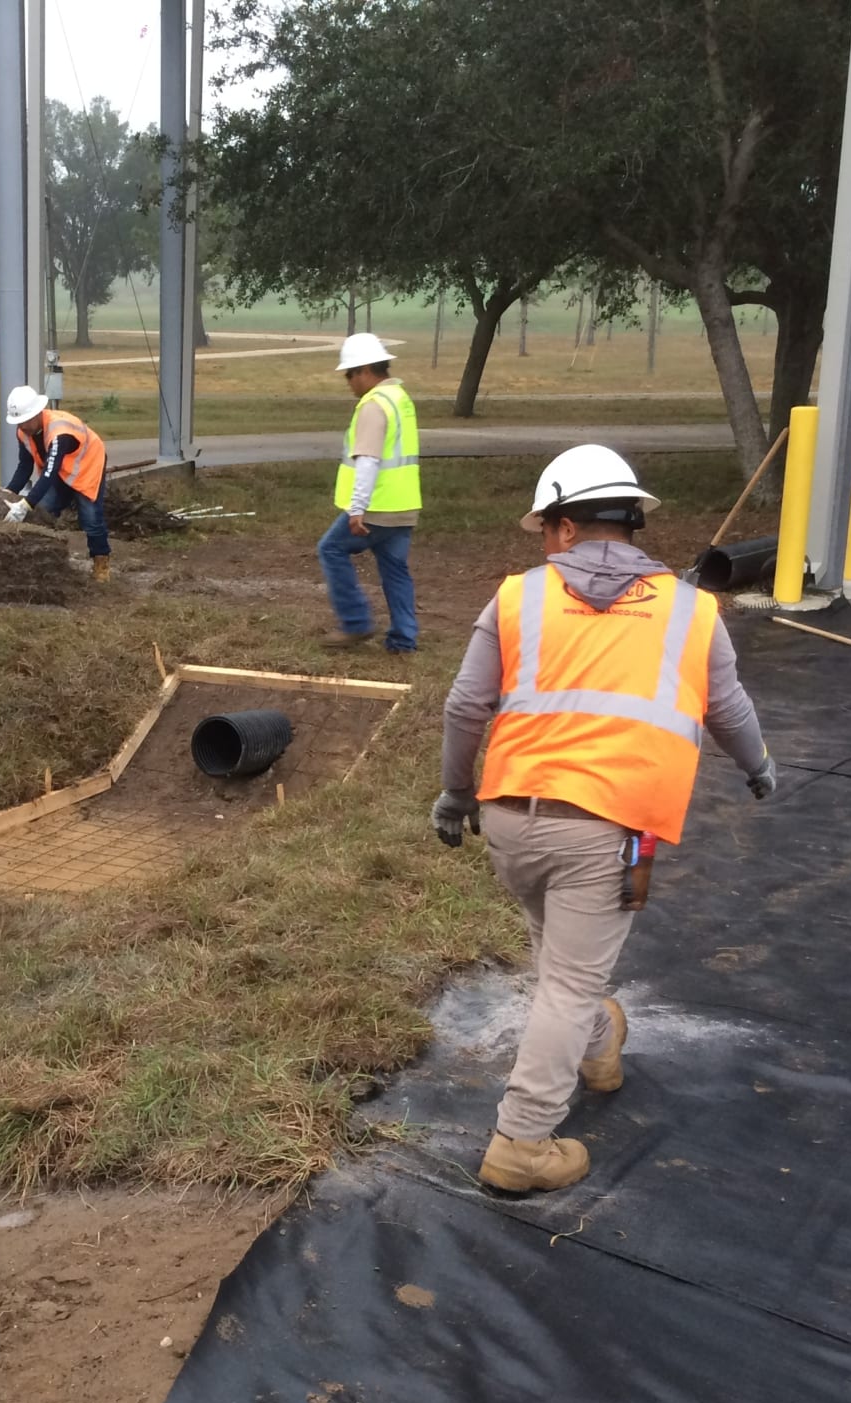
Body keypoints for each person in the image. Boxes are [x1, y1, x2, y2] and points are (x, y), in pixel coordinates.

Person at [432, 445, 774, 1193]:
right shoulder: (692, 610)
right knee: (571, 982)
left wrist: (457, 796)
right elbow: (728, 708)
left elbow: (466, 706)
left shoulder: (517, 598)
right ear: (631, 522)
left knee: (561, 960)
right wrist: (757, 766)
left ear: (561, 528)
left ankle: (597, 1049)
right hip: (612, 828)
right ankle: (522, 1141)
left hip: (512, 821)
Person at [321, 333, 421, 653]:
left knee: (331, 550)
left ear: (366, 370)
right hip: (404, 505)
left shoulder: (373, 406)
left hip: (377, 506)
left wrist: (357, 508)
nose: (348, 382)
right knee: (395, 569)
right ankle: (404, 639)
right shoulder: (400, 398)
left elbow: (367, 460)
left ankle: (355, 623)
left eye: (350, 374)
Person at [3, 385, 112, 582]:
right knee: (44, 510)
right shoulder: (23, 432)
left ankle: (101, 563)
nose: (22, 427)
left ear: (37, 413)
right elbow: (25, 466)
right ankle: (42, 559)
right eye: (18, 423)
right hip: (60, 470)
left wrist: (26, 503)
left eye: (24, 421)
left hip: (86, 467)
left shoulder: (59, 431)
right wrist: (8, 492)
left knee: (90, 518)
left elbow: (49, 472)